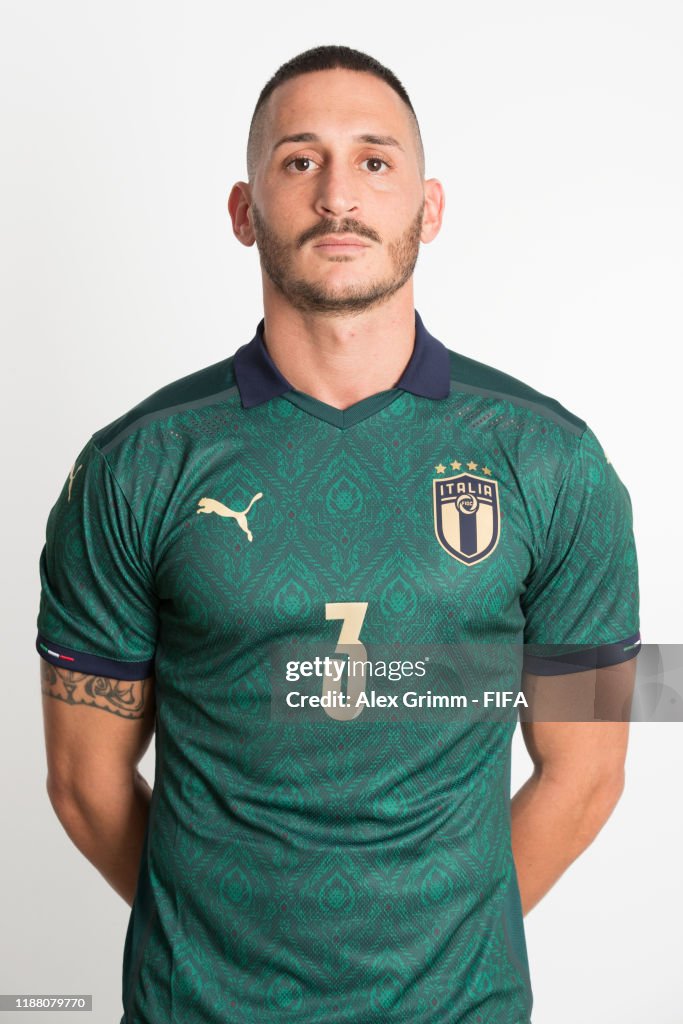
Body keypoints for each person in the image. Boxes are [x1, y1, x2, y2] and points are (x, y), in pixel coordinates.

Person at [37, 44, 641, 1024]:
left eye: (372, 160)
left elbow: (589, 772)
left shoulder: (555, 463)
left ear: (428, 206)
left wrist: (440, 957)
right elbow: (80, 782)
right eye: (297, 160)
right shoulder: (132, 467)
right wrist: (220, 944)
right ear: (244, 210)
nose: (335, 195)